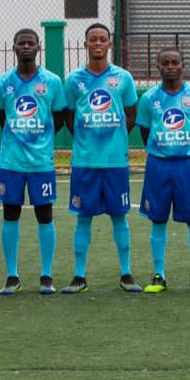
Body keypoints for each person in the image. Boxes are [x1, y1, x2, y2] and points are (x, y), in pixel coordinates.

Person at [61, 22, 142, 294]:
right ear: (86, 44)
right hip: (85, 162)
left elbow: (131, 113)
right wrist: (86, 139)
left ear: (109, 43)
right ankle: (79, 276)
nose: (97, 43)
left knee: (119, 216)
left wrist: (115, 137)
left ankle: (126, 274)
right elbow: (69, 116)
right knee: (83, 217)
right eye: (92, 39)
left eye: (102, 39)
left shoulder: (123, 78)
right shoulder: (74, 80)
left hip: (115, 162)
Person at [0, 28, 67, 295]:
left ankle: (46, 276)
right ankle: (12, 276)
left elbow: (58, 117)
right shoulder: (3, 82)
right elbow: (2, 117)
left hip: (41, 163)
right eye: (21, 43)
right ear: (13, 48)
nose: (25, 47)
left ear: (38, 47)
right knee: (10, 215)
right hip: (11, 162)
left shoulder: (52, 81)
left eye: (30, 43)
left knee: (44, 216)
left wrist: (40, 138)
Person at [136, 48, 190, 293]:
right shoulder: (149, 98)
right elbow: (145, 131)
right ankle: (159, 275)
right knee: (158, 219)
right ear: (158, 67)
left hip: (187, 165)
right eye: (165, 63)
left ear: (183, 65)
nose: (170, 66)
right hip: (158, 165)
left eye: (175, 62)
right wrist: (161, 150)